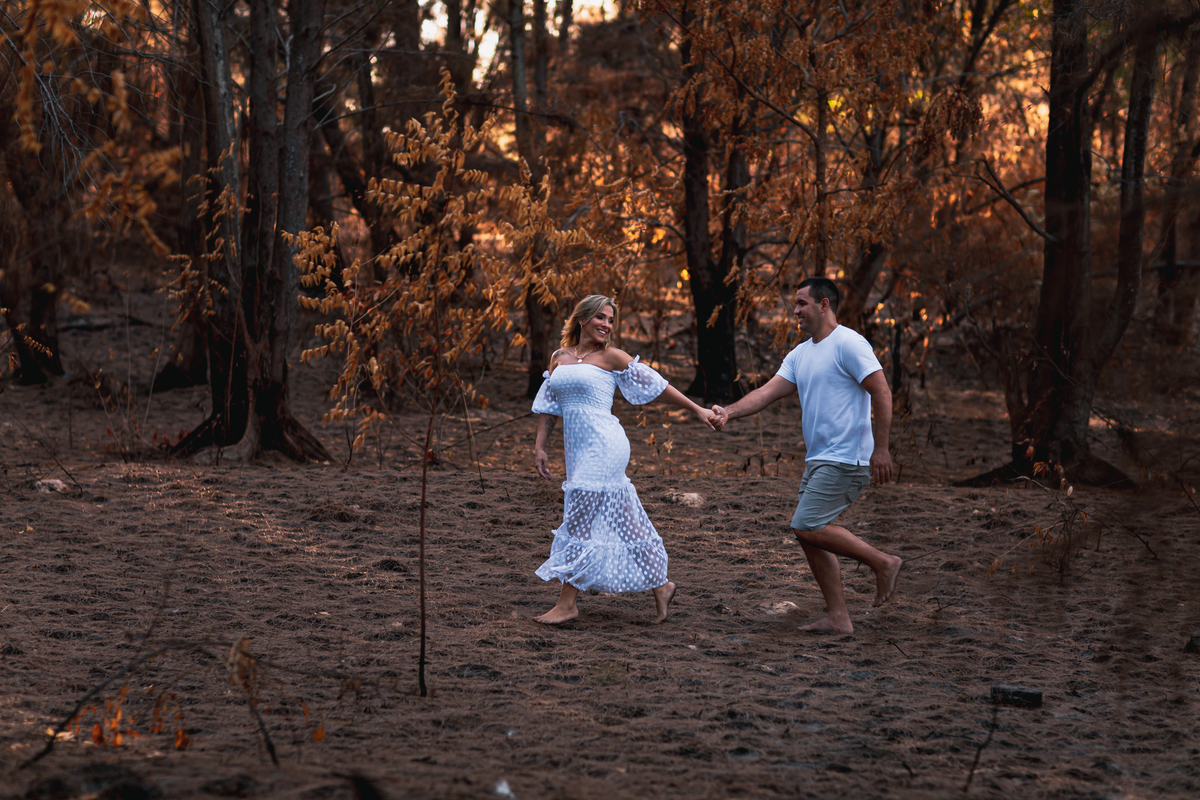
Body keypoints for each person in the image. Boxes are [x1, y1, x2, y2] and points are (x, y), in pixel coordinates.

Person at [711, 277, 902, 634]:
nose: (795, 311)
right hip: (819, 459)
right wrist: (729, 412)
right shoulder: (800, 354)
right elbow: (766, 393)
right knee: (808, 533)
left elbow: (882, 392)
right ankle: (838, 617)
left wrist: (882, 447)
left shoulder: (848, 343)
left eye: (801, 303)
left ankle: (884, 562)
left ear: (824, 305)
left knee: (806, 524)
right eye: (795, 304)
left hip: (848, 457)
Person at [532, 294, 717, 625]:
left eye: (611, 320)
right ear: (582, 319)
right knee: (625, 518)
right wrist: (540, 446)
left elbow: (658, 386)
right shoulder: (559, 357)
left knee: (579, 518)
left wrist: (698, 410)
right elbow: (549, 405)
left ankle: (567, 603)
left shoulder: (612, 357)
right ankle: (661, 586)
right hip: (577, 449)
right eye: (601, 318)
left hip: (605, 445)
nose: (606, 324)